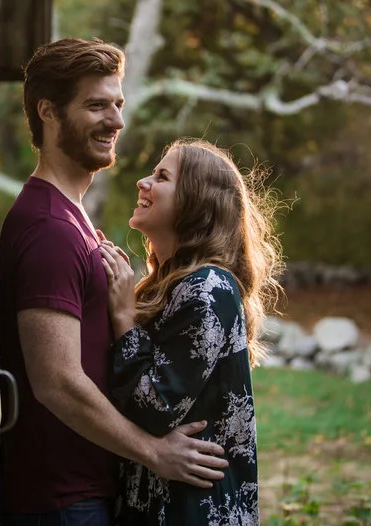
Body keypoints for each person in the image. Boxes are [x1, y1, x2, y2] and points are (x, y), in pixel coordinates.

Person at [0, 38, 229, 525]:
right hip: (60, 501)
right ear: (49, 113)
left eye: (118, 104)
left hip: (84, 492)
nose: (116, 121)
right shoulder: (49, 229)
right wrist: (153, 452)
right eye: (96, 105)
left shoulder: (71, 216)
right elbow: (56, 381)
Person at [96, 139, 276, 524]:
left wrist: (123, 320)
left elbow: (156, 408)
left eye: (162, 177)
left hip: (191, 511)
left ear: (196, 201)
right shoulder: (170, 285)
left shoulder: (208, 288)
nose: (143, 182)